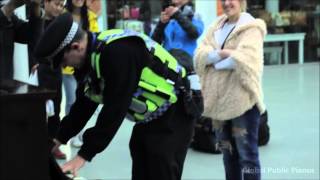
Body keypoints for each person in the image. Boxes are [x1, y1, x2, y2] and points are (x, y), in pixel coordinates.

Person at [34, 13, 195, 180]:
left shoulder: (118, 52)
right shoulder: (91, 59)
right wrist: (57, 140)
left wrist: (83, 156)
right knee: (141, 161)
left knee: (160, 166)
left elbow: (115, 109)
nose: (65, 66)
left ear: (76, 47)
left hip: (175, 113)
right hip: (148, 119)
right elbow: (83, 106)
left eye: (63, 61)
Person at [194, 0, 266, 179]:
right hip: (219, 105)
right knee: (228, 156)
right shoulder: (216, 26)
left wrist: (214, 62)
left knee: (248, 157)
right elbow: (199, 56)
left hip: (243, 103)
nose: (227, 3)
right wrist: (223, 54)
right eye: (223, 0)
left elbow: (246, 59)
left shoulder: (251, 27)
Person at [64, 0, 99, 147]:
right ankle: (70, 133)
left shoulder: (91, 16)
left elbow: (95, 36)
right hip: (67, 67)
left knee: (86, 98)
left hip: (86, 66)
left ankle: (78, 133)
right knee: (72, 100)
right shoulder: (64, 16)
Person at [37, 0, 66, 159]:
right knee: (40, 111)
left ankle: (52, 145)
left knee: (56, 110)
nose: (59, 8)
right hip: (39, 73)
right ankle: (38, 144)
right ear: (46, 2)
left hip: (55, 72)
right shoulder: (35, 22)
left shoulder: (60, 25)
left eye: (62, 5)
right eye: (56, 3)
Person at [0, 0, 42, 85]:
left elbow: (31, 37)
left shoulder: (11, 18)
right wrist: (9, 7)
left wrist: (35, 7)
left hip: (5, 86)